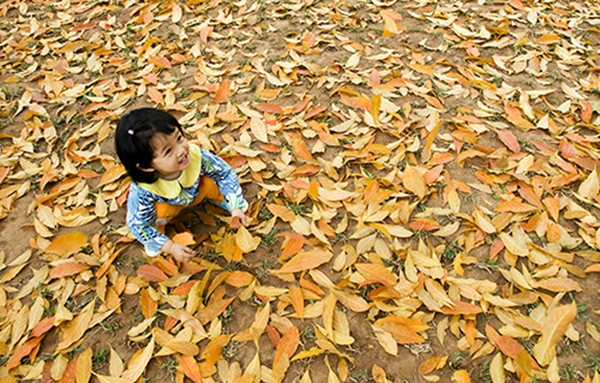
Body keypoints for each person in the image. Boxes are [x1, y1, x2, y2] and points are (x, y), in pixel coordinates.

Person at [115, 108, 248, 263]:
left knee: (212, 179)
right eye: (168, 151)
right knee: (154, 214)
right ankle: (157, 234)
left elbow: (224, 173)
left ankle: (223, 199)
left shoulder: (196, 156)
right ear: (146, 166)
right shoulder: (144, 190)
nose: (181, 151)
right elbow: (138, 225)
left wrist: (235, 206)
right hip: (167, 210)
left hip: (198, 192)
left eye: (179, 138)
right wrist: (169, 246)